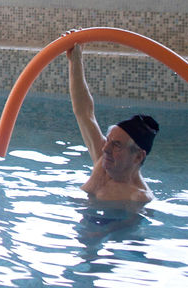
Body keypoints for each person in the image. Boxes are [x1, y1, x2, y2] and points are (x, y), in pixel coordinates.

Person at [67, 39, 160, 202]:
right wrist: (75, 59)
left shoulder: (137, 198)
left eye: (116, 145)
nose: (105, 148)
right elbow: (84, 113)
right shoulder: (105, 162)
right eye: (108, 140)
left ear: (138, 157)